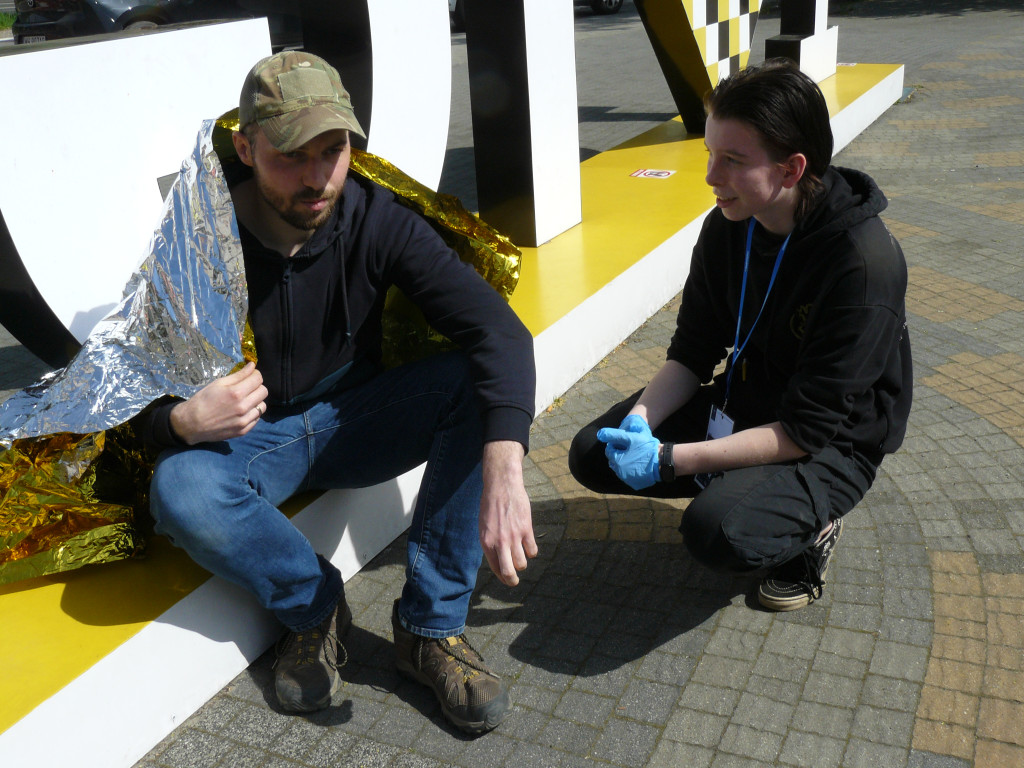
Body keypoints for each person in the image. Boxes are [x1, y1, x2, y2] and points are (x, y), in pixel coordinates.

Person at [138, 51, 538, 735]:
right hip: (252, 440)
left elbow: (500, 335)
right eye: (292, 155)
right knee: (183, 489)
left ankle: (429, 630)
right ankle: (313, 606)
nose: (318, 176)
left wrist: (507, 461)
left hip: (359, 417)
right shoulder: (198, 239)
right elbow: (127, 388)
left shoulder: (380, 219)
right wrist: (179, 420)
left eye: (334, 149)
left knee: (476, 385)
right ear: (245, 146)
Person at [569, 59, 912, 612]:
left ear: (791, 169)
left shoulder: (863, 266)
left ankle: (814, 529)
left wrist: (669, 459)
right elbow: (691, 353)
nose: (710, 176)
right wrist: (640, 424)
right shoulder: (728, 225)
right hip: (749, 399)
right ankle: (737, 483)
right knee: (592, 453)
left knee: (716, 533)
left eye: (732, 160)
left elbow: (805, 428)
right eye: (709, 154)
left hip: (831, 440)